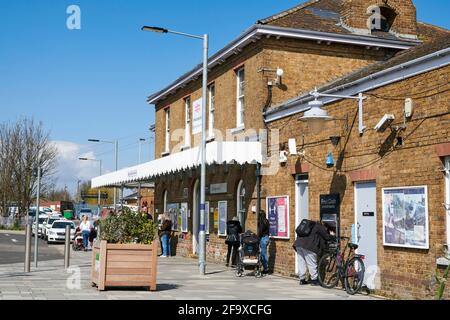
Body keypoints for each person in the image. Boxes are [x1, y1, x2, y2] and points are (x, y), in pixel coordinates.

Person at [294, 220, 335, 286]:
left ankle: (302, 279)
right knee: (311, 263)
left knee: (301, 262)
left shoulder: (309, 225)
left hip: (298, 244)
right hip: (309, 246)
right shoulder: (319, 227)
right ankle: (314, 280)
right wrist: (333, 236)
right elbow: (326, 237)